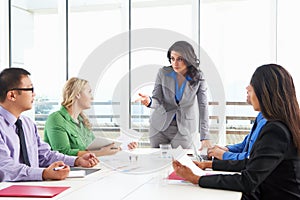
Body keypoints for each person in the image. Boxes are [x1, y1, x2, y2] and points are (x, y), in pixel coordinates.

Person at [173, 64, 300, 199]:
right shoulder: (280, 124)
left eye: (253, 85)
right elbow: (253, 164)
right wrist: (208, 164)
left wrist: (196, 179)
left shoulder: (275, 130)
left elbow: (248, 181)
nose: (247, 88)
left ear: (265, 91)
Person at [0, 68, 99, 182]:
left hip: (33, 188)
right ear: (12, 95)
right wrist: (44, 173)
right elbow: (6, 168)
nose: (34, 94)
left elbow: (44, 155)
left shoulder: (27, 124)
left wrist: (77, 161)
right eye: (30, 89)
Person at [136, 41, 211, 149]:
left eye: (180, 59)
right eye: (172, 59)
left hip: (184, 129)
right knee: (158, 162)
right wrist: (149, 101)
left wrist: (204, 136)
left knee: (182, 162)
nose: (175, 63)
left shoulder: (198, 77)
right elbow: (157, 99)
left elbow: (203, 106)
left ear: (188, 59)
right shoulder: (163, 73)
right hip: (159, 127)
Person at [44, 77, 138, 157]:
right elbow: (63, 154)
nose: (92, 97)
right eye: (89, 92)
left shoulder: (82, 121)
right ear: (77, 94)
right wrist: (99, 153)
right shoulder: (56, 119)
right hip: (68, 173)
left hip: (85, 168)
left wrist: (120, 147)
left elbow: (94, 148)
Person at [207, 87, 267, 160]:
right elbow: (245, 145)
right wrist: (226, 149)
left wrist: (224, 155)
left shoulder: (267, 124)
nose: (247, 88)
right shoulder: (260, 116)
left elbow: (250, 158)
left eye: (253, 85)